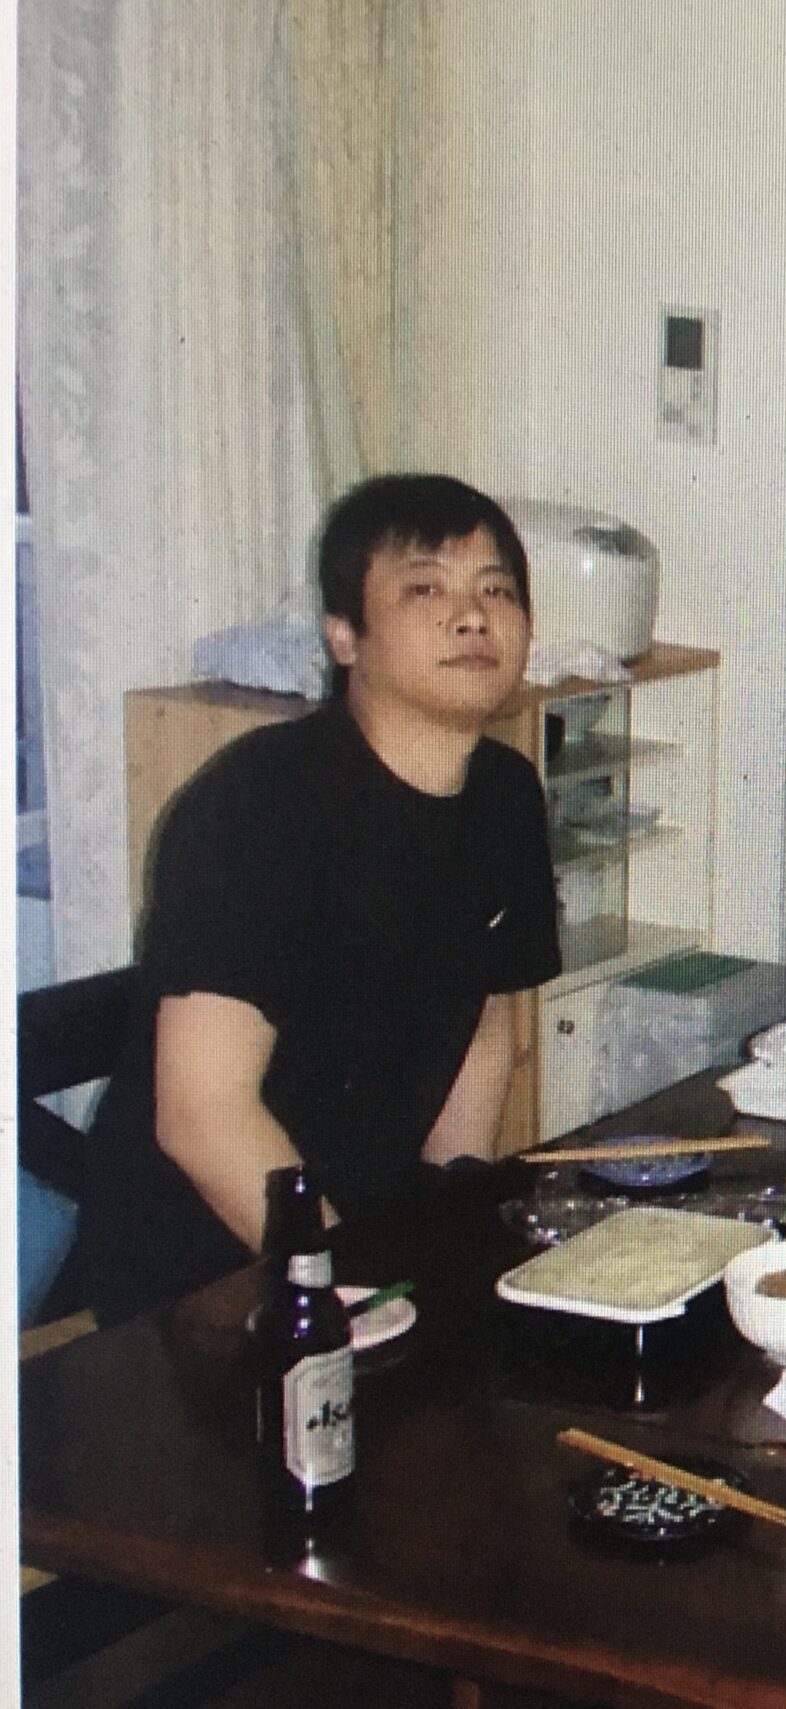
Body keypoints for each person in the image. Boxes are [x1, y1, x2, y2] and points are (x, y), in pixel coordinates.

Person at [75, 474, 560, 1320]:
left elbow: (486, 1029)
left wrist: (449, 1216)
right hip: (200, 1282)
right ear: (344, 634)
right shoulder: (259, 804)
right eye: (425, 589)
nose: (472, 616)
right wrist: (347, 1282)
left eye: (496, 590)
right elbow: (201, 1115)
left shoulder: (507, 795)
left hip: (363, 1246)